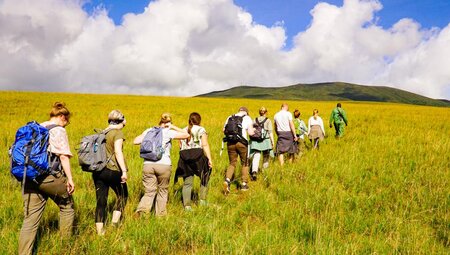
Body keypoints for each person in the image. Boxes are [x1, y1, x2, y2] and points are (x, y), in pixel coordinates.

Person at [19, 102, 75, 255]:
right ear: (62, 117)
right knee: (67, 206)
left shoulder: (36, 127)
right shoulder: (58, 130)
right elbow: (63, 156)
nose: (66, 124)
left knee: (30, 220)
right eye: (67, 121)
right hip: (48, 177)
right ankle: (65, 248)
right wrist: (69, 179)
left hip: (28, 176)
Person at [134, 113, 189, 216]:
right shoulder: (168, 132)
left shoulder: (149, 131)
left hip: (148, 164)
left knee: (149, 191)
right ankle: (161, 216)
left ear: (159, 122)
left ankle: (142, 211)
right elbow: (186, 135)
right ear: (169, 123)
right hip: (164, 165)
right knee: (163, 191)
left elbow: (136, 141)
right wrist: (173, 127)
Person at [93, 110, 129, 235]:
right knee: (123, 195)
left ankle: (100, 232)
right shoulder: (117, 133)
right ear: (121, 120)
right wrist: (124, 171)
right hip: (113, 170)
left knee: (101, 201)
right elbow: (118, 152)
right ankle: (114, 225)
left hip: (98, 171)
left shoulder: (102, 132)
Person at [174, 112, 213, 211]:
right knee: (205, 176)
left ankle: (187, 206)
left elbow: (180, 145)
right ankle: (202, 200)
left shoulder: (183, 130)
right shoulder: (201, 129)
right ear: (199, 120)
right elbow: (204, 144)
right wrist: (209, 158)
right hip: (198, 156)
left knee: (187, 183)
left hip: (184, 157)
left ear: (189, 120)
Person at [222, 106, 255, 193]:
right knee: (245, 163)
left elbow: (223, 130)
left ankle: (227, 180)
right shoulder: (247, 118)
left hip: (230, 143)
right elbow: (251, 133)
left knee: (232, 163)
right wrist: (254, 130)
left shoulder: (230, 117)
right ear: (246, 112)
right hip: (242, 143)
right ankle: (244, 184)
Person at [249, 107, 274, 180]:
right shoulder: (268, 120)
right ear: (266, 112)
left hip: (256, 140)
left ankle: (254, 172)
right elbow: (270, 132)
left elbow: (251, 130)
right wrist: (272, 142)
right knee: (266, 157)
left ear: (259, 112)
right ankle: (264, 173)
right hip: (265, 141)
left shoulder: (255, 119)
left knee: (256, 156)